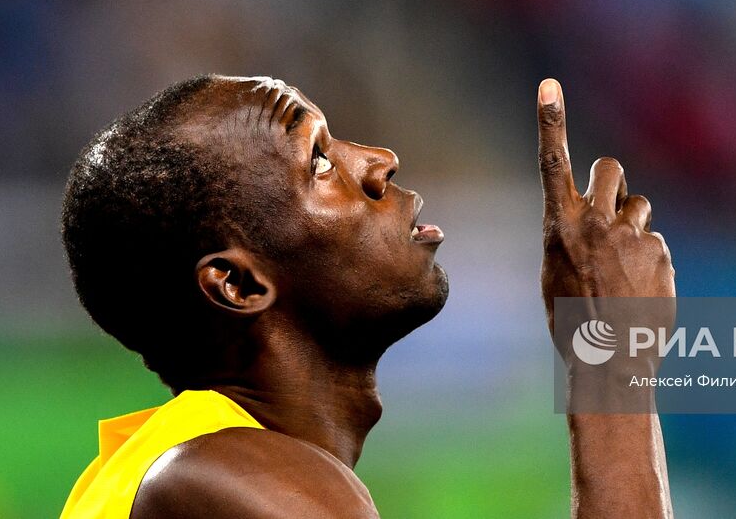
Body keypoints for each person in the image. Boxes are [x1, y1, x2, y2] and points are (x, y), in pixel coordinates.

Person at [58, 74, 675, 518]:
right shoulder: (221, 482)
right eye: (319, 163)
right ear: (239, 284)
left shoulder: (188, 468)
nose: (380, 161)